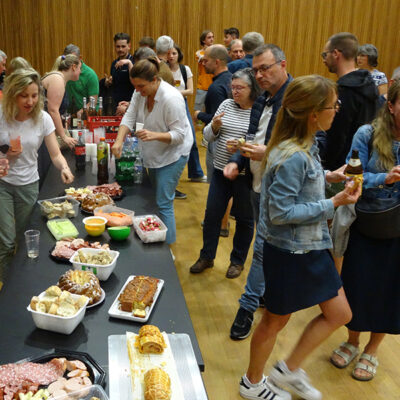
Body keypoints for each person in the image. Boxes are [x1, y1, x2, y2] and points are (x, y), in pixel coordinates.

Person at [239, 75, 361, 400]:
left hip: (311, 246)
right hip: (289, 251)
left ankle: (287, 370)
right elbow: (280, 214)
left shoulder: (305, 147)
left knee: (340, 314)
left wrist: (328, 177)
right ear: (312, 114)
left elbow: (301, 185)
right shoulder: (292, 155)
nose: (336, 111)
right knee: (274, 321)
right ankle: (252, 383)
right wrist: (333, 202)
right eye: (332, 106)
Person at [330, 80, 400, 382]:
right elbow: (351, 178)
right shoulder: (367, 134)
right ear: (392, 106)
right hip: (366, 221)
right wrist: (385, 178)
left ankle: (372, 348)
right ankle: (353, 339)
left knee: (390, 291)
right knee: (356, 285)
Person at [226, 43, 293, 340]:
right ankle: (265, 294)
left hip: (280, 189)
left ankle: (247, 306)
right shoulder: (262, 99)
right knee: (266, 247)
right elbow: (253, 138)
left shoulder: (296, 100)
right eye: (256, 70)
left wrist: (269, 152)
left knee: (264, 249)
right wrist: (237, 158)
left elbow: (309, 147)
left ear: (283, 64)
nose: (260, 75)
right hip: (256, 182)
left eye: (265, 68)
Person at [0, 68, 74, 283]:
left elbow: (55, 153)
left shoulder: (42, 119)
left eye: (34, 95)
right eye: (24, 95)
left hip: (28, 184)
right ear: (13, 93)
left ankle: (24, 282)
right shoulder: (2, 116)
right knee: (5, 242)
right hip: (2, 184)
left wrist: (64, 168)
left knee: (25, 240)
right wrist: (6, 154)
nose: (30, 101)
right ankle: (7, 290)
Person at [112, 58, 192, 245]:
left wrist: (154, 135)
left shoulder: (171, 98)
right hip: (155, 152)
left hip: (173, 154)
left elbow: (179, 135)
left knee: (164, 202)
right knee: (155, 199)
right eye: (135, 87)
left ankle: (168, 250)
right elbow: (130, 115)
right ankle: (158, 239)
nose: (138, 91)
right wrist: (118, 141)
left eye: (141, 86)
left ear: (155, 79)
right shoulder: (139, 91)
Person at [189, 68, 261, 278]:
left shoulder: (258, 110)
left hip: (245, 176)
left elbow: (257, 144)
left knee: (245, 220)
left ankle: (237, 261)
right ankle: (207, 257)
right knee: (212, 215)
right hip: (221, 171)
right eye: (233, 87)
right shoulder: (226, 105)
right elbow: (208, 137)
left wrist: (239, 148)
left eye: (240, 88)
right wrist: (215, 126)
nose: (235, 91)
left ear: (252, 88)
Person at [319, 32, 379, 182]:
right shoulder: (371, 86)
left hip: (341, 170)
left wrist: (327, 169)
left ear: (336, 54)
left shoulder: (343, 91)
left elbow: (337, 136)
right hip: (365, 165)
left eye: (325, 55)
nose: (324, 60)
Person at [167, 44, 206, 183]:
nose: (171, 56)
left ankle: (196, 173)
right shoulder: (163, 69)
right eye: (169, 53)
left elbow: (190, 91)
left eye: (174, 53)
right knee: (169, 141)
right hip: (166, 107)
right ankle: (169, 176)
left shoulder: (185, 69)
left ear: (179, 55)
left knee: (192, 140)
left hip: (182, 106)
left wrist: (172, 93)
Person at [41, 55, 81, 149]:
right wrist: (63, 137)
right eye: (80, 68)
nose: (80, 71)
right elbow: (53, 110)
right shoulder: (57, 79)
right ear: (73, 67)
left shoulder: (59, 78)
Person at [63, 44, 99, 112]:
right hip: (71, 113)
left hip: (88, 113)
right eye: (67, 60)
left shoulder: (90, 74)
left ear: (80, 58)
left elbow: (93, 101)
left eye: (72, 59)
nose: (69, 63)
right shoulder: (64, 72)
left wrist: (81, 112)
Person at [105, 33, 135, 112]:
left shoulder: (133, 61)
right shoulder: (114, 63)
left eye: (123, 46)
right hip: (116, 105)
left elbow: (135, 81)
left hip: (129, 104)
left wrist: (129, 63)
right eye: (118, 46)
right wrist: (109, 82)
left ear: (129, 46)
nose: (120, 49)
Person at [194, 30, 214, 117]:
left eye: (213, 37)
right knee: (198, 110)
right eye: (209, 37)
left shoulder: (215, 52)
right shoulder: (199, 53)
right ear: (203, 40)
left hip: (213, 84)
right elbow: (203, 58)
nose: (212, 39)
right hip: (202, 86)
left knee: (212, 110)